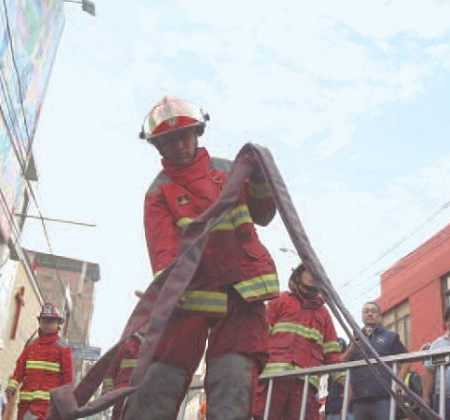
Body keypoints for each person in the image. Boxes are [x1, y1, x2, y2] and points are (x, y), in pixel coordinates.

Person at [123, 96, 279, 420]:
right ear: (158, 147)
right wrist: (163, 294)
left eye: (183, 136)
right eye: (168, 142)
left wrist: (263, 180)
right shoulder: (159, 193)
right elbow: (164, 253)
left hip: (242, 295)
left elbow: (264, 214)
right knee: (159, 381)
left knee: (233, 382)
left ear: (198, 132)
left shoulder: (231, 172)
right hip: (189, 297)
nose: (178, 146)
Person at [253, 264, 341, 420]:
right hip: (274, 380)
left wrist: (343, 380)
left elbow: (332, 351)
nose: (313, 276)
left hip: (305, 383)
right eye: (309, 271)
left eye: (317, 273)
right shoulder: (280, 301)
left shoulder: (324, 313)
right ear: (299, 275)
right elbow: (258, 337)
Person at [6, 303, 73, 420]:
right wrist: (12, 386)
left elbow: (67, 375)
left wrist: (63, 401)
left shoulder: (62, 346)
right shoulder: (31, 345)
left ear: (58, 324)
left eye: (50, 321)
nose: (46, 324)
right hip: (25, 401)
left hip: (46, 403)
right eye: (43, 320)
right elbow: (20, 368)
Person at [344, 302, 409, 420]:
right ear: (362, 317)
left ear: (380, 316)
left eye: (373, 311)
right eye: (366, 311)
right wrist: (353, 347)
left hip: (383, 397)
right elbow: (342, 362)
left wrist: (399, 382)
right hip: (359, 399)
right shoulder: (354, 338)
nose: (370, 314)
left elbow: (406, 360)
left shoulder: (390, 337)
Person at [102, 323, 146, 420]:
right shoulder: (125, 343)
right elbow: (110, 370)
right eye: (143, 322)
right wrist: (108, 392)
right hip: (122, 395)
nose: (145, 325)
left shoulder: (156, 344)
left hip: (143, 394)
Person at [324, 338, 348, 420]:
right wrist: (326, 410)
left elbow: (348, 388)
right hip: (332, 409)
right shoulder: (331, 366)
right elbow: (329, 391)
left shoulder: (348, 366)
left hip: (344, 409)